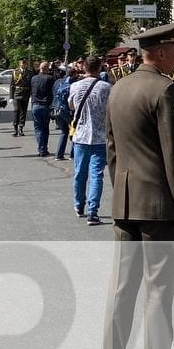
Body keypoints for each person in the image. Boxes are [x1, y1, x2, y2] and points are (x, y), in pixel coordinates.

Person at [102, 21, 174, 349]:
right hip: (159, 208)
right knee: (158, 293)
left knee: (121, 291)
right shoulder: (164, 89)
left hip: (125, 203)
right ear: (158, 52)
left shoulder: (119, 87)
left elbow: (111, 151)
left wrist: (122, 192)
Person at [70, 55, 110, 223]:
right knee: (96, 175)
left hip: (80, 136)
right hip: (100, 136)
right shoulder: (106, 87)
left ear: (84, 68)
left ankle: (79, 205)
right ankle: (93, 211)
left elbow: (71, 106)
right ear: (99, 67)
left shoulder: (75, 86)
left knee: (80, 173)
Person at [50, 63, 76, 160]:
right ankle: (72, 155)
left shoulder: (57, 82)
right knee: (74, 130)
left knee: (64, 131)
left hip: (56, 109)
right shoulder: (73, 84)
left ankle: (59, 155)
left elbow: (53, 93)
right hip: (67, 110)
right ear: (74, 74)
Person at [11, 57, 32, 138]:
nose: (23, 64)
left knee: (23, 112)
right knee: (16, 110)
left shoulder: (30, 72)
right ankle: (15, 128)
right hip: (17, 93)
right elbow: (12, 84)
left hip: (26, 93)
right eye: (22, 63)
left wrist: (31, 95)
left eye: (24, 63)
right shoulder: (15, 72)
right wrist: (11, 97)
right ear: (19, 64)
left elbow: (31, 84)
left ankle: (21, 128)